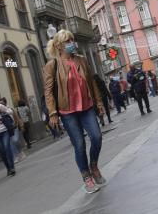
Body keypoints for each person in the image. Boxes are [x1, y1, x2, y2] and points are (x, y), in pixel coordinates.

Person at [44, 30, 106, 194]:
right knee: (79, 144)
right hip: (67, 112)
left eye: (72, 40)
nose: (72, 43)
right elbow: (48, 91)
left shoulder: (82, 60)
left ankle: (93, 165)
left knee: (97, 137)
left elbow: (92, 83)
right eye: (67, 41)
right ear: (59, 45)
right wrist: (52, 113)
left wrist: (99, 102)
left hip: (86, 107)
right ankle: (86, 177)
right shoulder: (52, 66)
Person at [0, 97, 24, 163]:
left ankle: (21, 151)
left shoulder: (10, 109)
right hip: (6, 129)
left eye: (2, 103)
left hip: (14, 127)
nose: (1, 105)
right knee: (11, 143)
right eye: (0, 103)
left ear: (5, 103)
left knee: (15, 140)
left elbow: (16, 117)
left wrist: (19, 124)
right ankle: (15, 156)